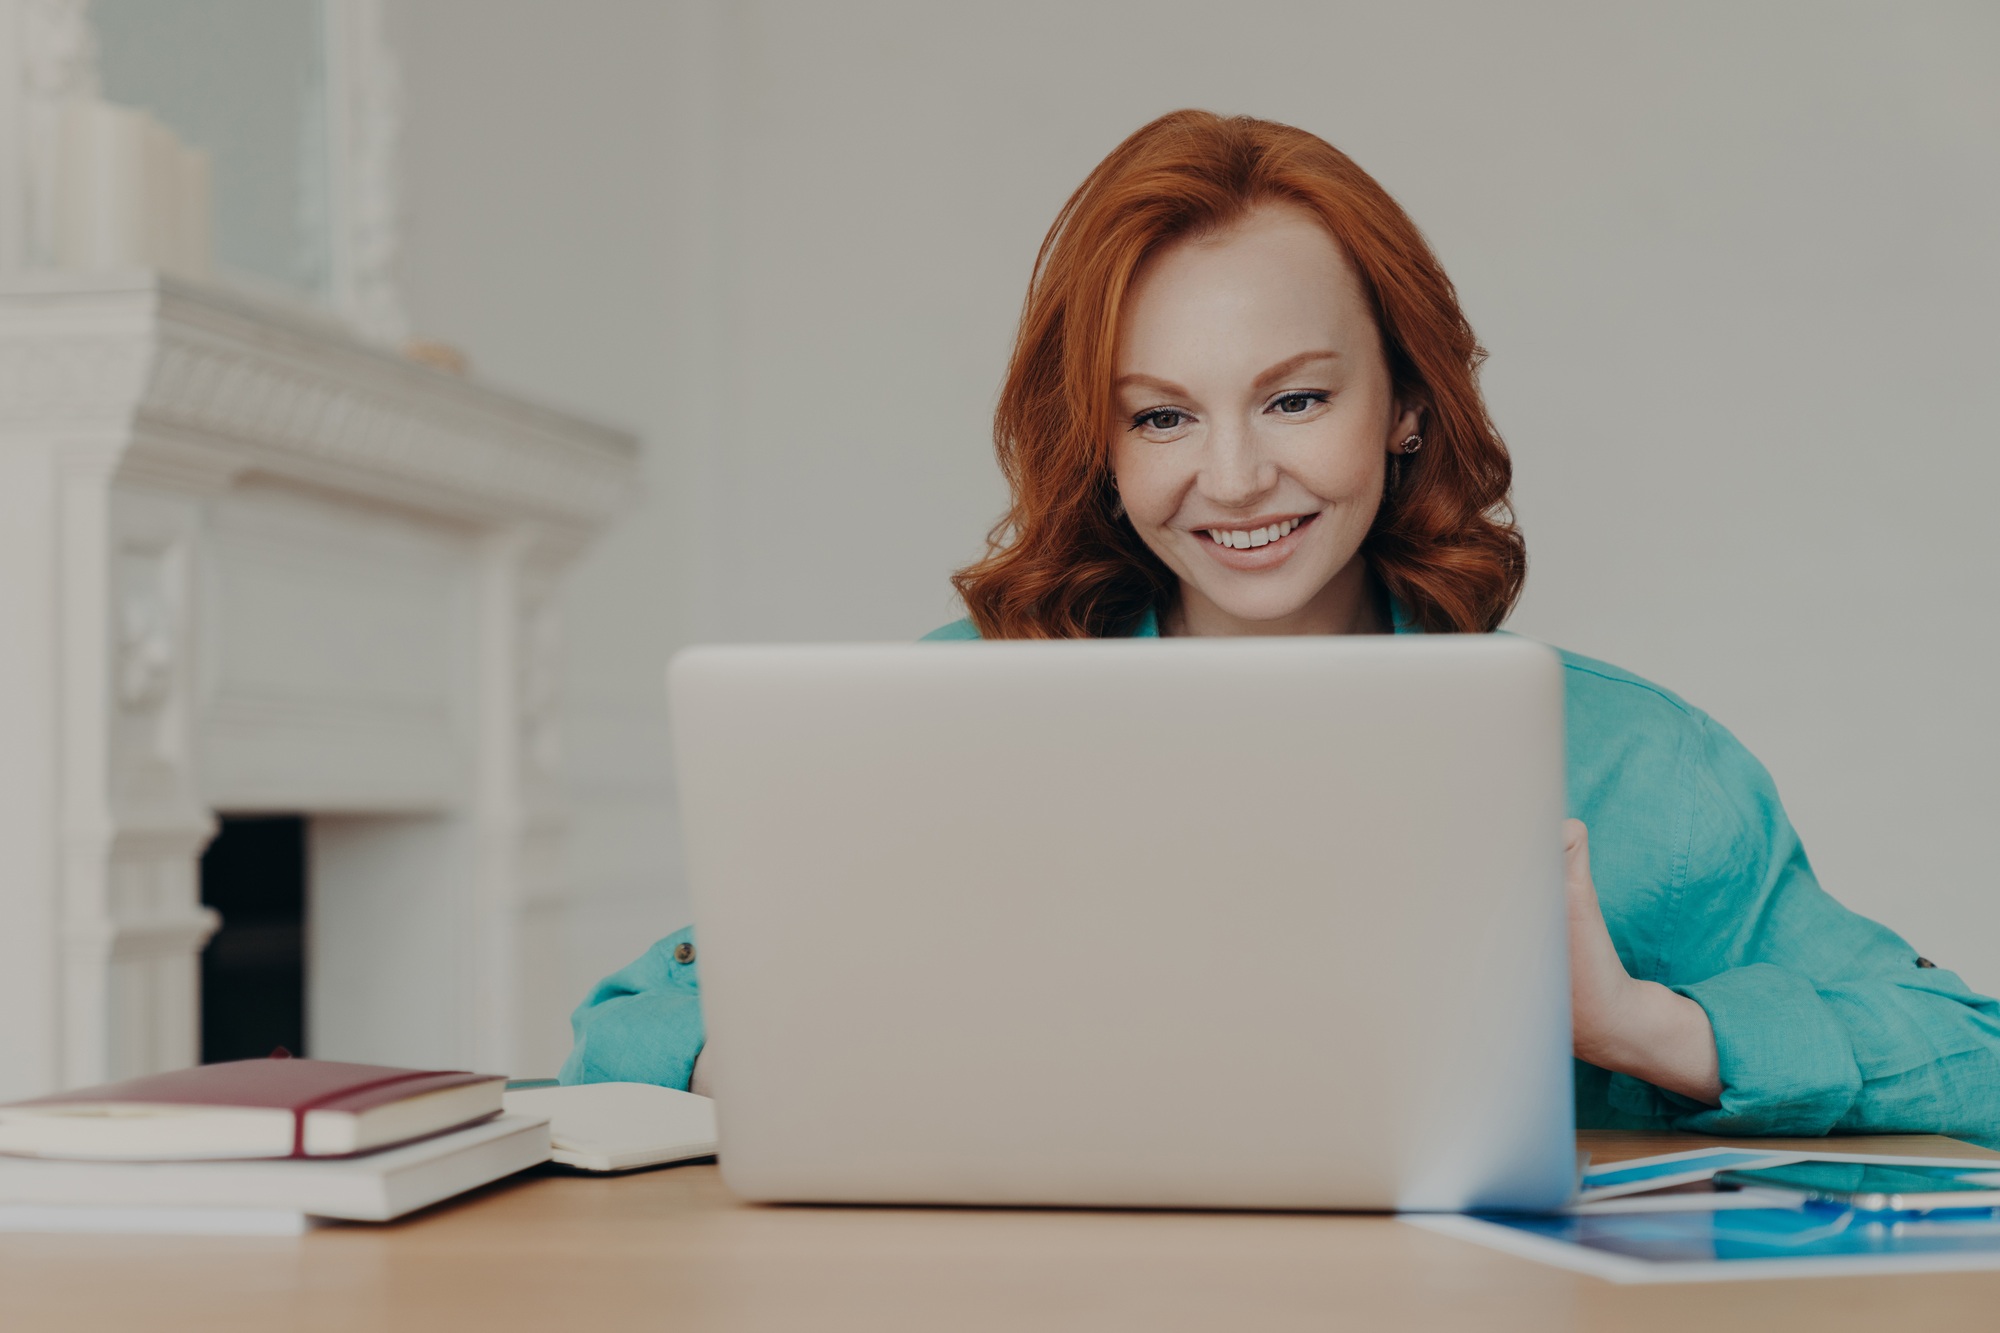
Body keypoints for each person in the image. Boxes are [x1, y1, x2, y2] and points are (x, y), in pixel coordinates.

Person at [561, 110, 2000, 1143]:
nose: (1236, 477)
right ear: (1105, 452)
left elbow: (1976, 1058)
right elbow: (629, 1021)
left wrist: (1632, 1024)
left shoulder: (1630, 768)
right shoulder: (961, 716)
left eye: (1297, 397)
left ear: (1408, 407)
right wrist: (853, 1063)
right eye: (1162, 415)